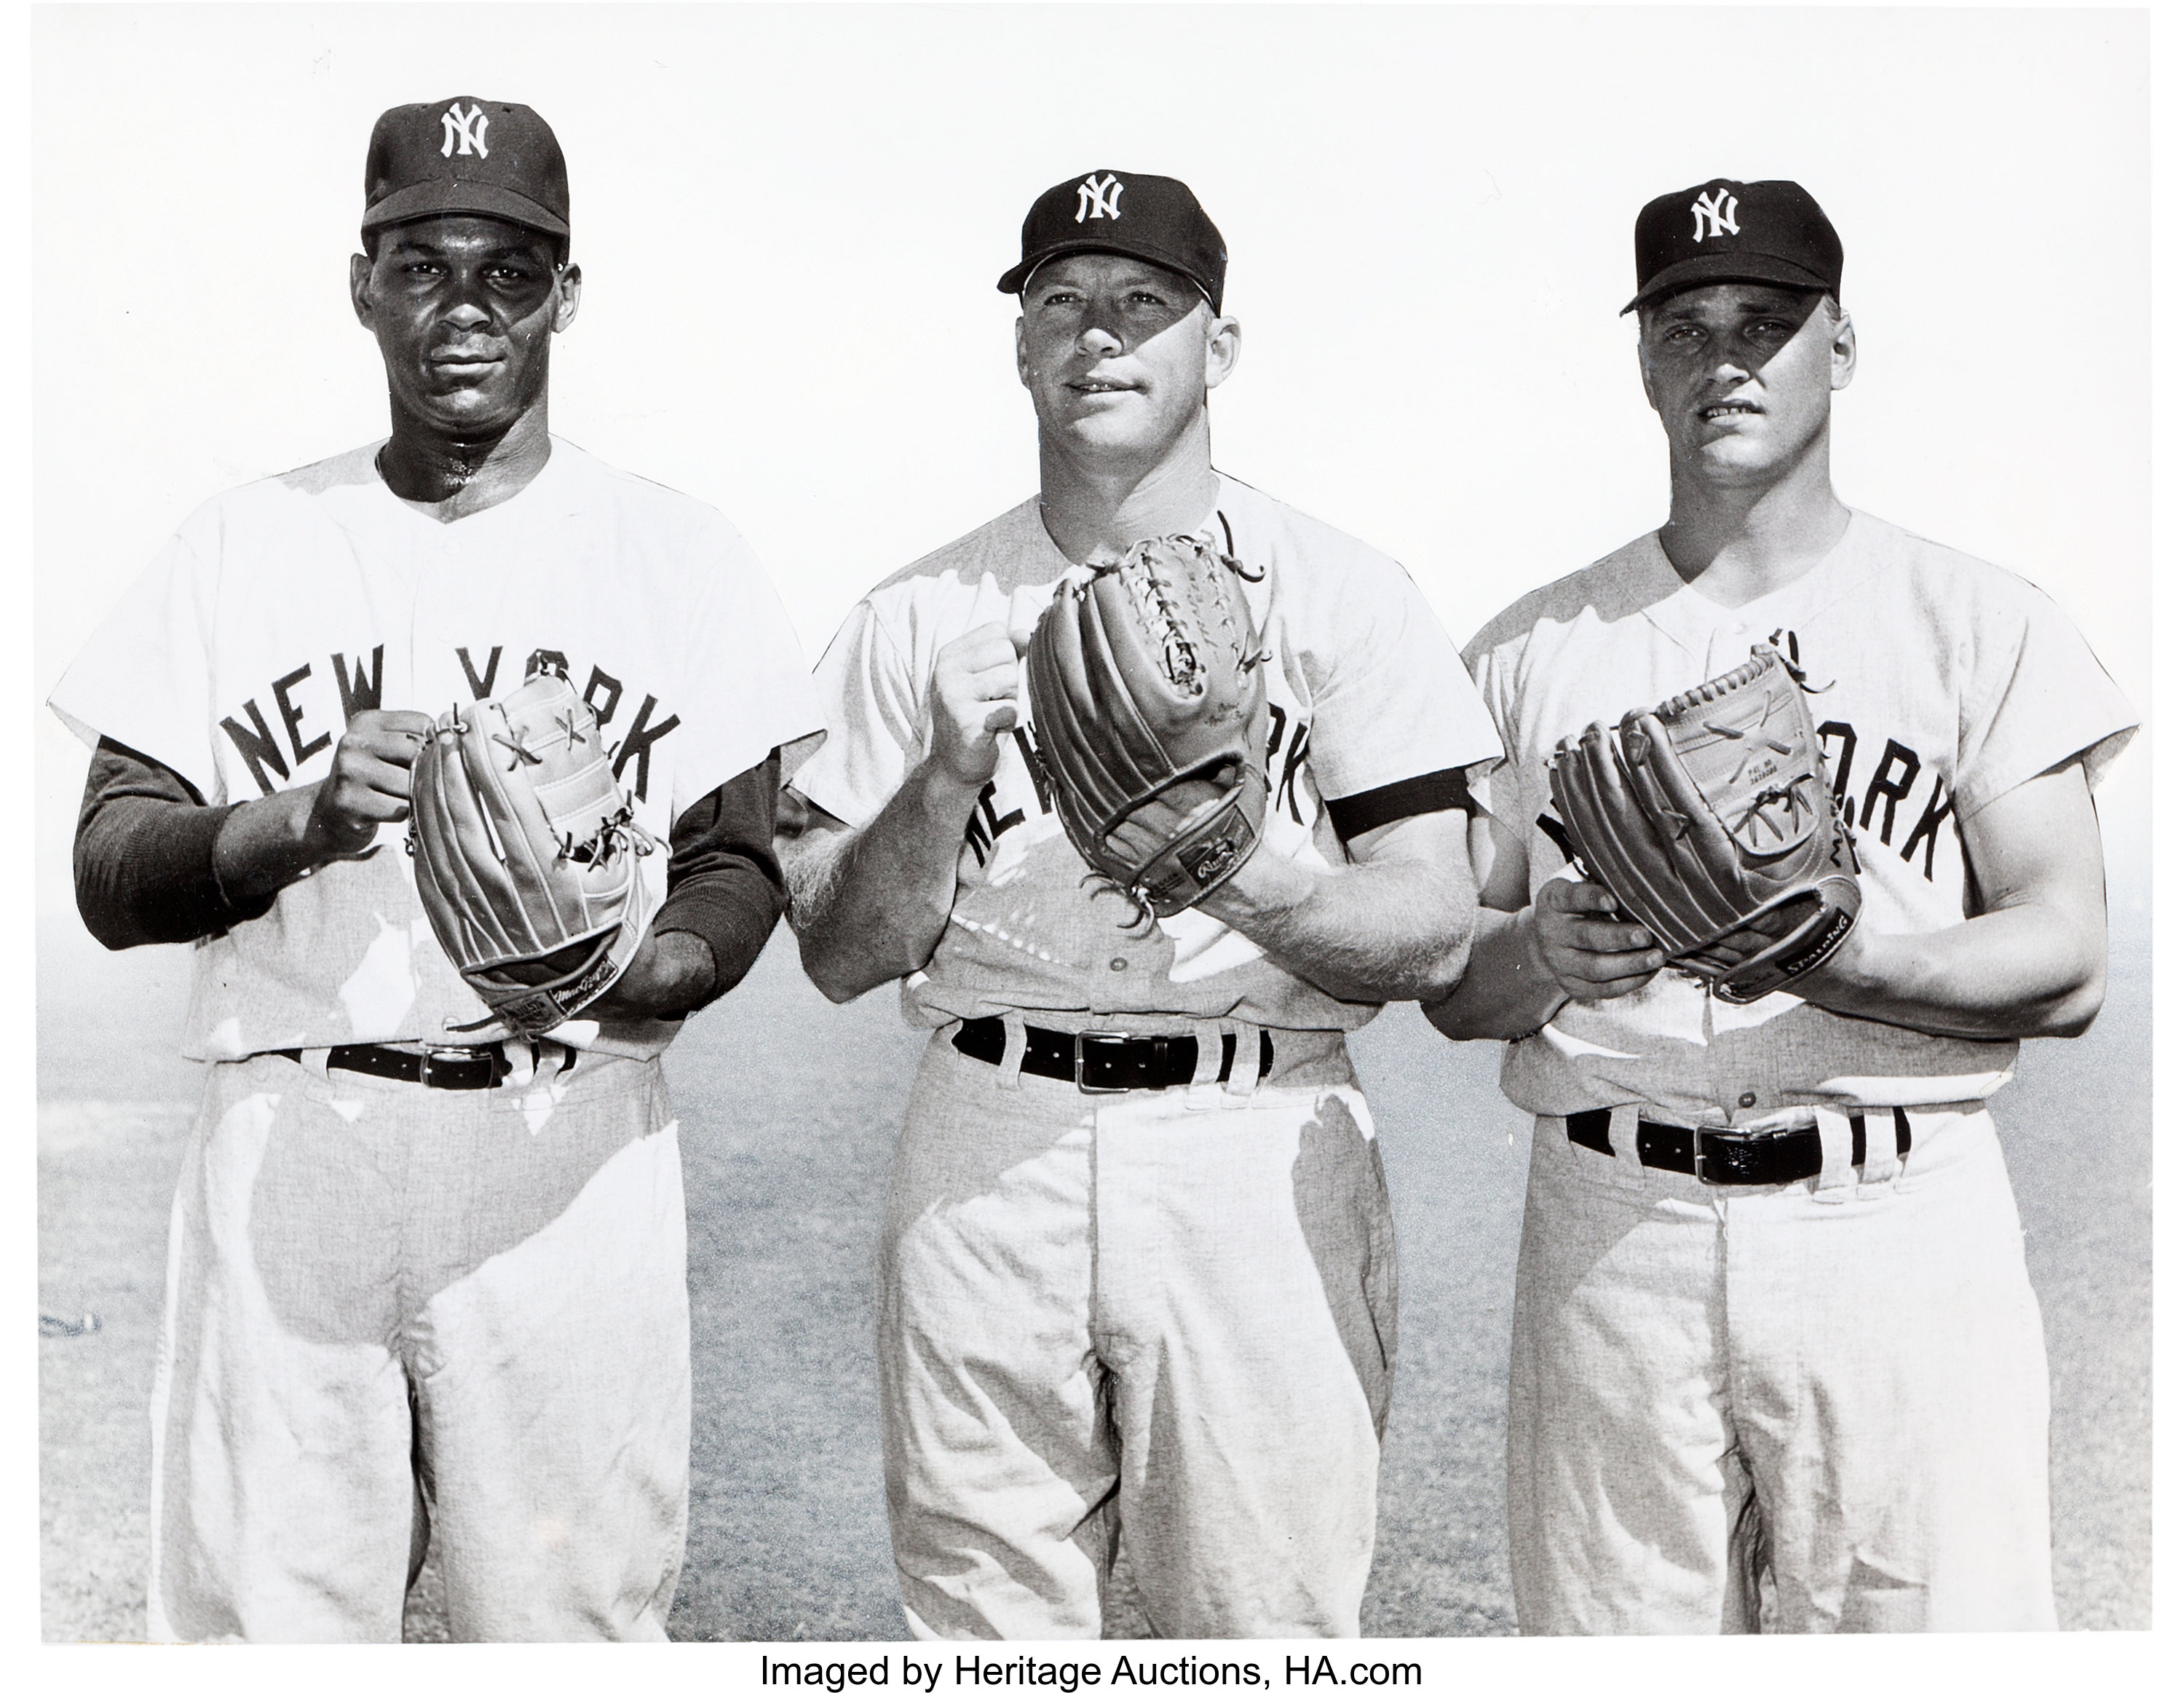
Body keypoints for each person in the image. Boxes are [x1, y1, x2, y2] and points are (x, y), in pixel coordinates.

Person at [50, 97, 822, 1642]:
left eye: (508, 272)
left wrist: (645, 971)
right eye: (421, 265)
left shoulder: (676, 553)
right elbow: (110, 865)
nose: (464, 307)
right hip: (296, 1131)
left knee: (571, 1626)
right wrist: (292, 826)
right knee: (263, 1634)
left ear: (567, 294)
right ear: (362, 286)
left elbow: (735, 864)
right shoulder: (241, 542)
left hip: (566, 1135)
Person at [778, 169, 1500, 1638]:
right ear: (1021, 345)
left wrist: (1235, 865)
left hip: (1251, 1132)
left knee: (1259, 1624)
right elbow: (840, 952)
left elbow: (1431, 927)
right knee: (983, 1632)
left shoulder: (1343, 592)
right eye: (1062, 302)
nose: (1098, 336)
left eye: (1144, 304)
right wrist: (937, 777)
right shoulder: (915, 614)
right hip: (989, 1132)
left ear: (1217, 347)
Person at [1426, 177, 2137, 1633]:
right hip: (1617, 1225)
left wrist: (1852, 957)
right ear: (1641, 362)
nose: (1725, 360)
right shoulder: (1527, 648)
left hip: (1899, 1223)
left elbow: (2068, 955)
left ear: (1843, 346)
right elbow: (1453, 980)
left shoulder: (1973, 616)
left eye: (1766, 322)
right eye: (1684, 329)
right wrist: (1536, 951)